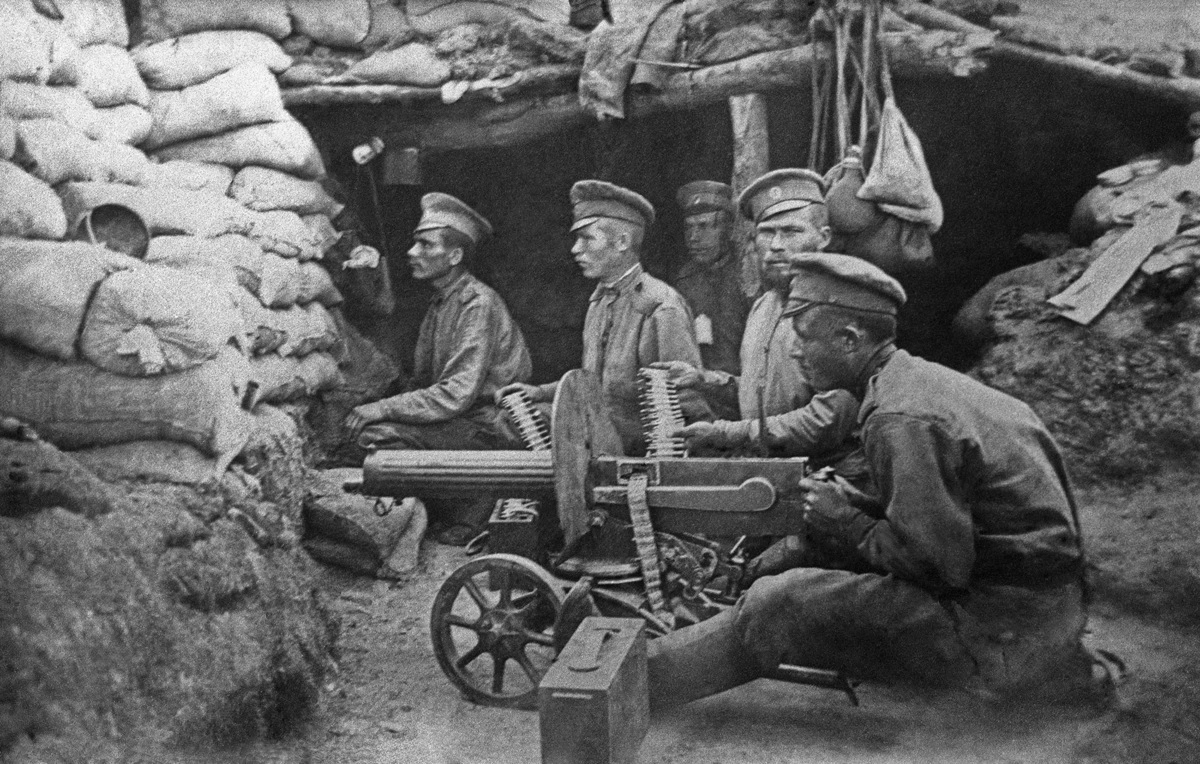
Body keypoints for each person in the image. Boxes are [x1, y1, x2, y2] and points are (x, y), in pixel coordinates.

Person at [645, 252, 1099, 710]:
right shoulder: (914, 383)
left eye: (803, 337)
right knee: (812, 546)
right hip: (1047, 611)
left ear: (849, 339)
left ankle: (638, 682)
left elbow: (939, 568)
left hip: (1003, 632)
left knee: (779, 603)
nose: (795, 351)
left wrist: (844, 520)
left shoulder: (899, 417)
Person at [344, 192, 532, 544]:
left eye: (425, 245)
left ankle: (475, 510)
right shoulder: (442, 302)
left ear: (455, 256)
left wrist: (383, 409)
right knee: (366, 436)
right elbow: (423, 382)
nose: (412, 252)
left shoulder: (478, 304)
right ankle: (453, 507)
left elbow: (456, 394)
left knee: (377, 439)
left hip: (489, 429)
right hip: (459, 422)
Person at [656, 169, 857, 458]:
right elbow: (762, 393)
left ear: (823, 238)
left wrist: (730, 433)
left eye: (791, 231)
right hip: (768, 467)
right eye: (766, 232)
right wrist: (703, 379)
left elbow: (829, 416)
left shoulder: (837, 308)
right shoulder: (764, 307)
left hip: (822, 473)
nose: (776, 245)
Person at [497, 180, 708, 454]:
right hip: (598, 441)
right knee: (512, 418)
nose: (575, 249)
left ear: (622, 242)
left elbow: (687, 400)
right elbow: (596, 383)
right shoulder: (599, 301)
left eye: (587, 238)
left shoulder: (661, 306)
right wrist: (539, 393)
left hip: (640, 453)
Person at [670, 180, 749, 377]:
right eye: (689, 228)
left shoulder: (748, 275)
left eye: (704, 226)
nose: (693, 237)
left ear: (729, 229)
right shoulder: (684, 280)